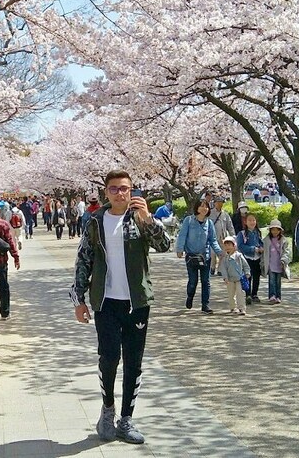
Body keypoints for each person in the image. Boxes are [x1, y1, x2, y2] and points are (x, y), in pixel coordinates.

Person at [72, 170, 169, 445]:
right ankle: (108, 410)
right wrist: (78, 299)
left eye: (125, 188)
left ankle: (126, 419)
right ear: (106, 192)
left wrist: (149, 220)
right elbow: (84, 260)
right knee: (109, 358)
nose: (120, 193)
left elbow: (163, 246)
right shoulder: (95, 221)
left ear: (132, 190)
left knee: (133, 363)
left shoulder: (140, 219)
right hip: (105, 301)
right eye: (114, 189)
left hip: (137, 302)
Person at [176, 199, 223, 314]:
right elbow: (182, 235)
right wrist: (180, 249)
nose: (204, 208)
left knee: (206, 281)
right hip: (191, 256)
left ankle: (205, 305)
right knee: (193, 281)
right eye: (201, 206)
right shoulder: (189, 220)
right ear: (197, 208)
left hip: (205, 256)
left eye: (206, 206)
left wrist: (219, 252)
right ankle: (190, 296)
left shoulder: (209, 223)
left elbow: (213, 240)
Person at [236, 213, 263, 304]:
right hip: (246, 258)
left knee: (256, 276)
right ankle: (248, 294)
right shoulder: (242, 234)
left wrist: (261, 248)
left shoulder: (258, 233)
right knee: (248, 276)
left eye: (253, 220)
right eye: (250, 220)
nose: (252, 222)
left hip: (257, 258)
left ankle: (254, 293)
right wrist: (253, 249)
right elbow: (240, 246)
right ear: (245, 222)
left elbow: (261, 243)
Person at [219, 235, 250, 315]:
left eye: (229, 245)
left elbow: (245, 265)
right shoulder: (225, 258)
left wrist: (247, 273)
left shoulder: (239, 256)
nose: (227, 247)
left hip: (240, 278)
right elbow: (223, 268)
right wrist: (225, 277)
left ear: (234, 246)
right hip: (230, 279)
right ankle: (233, 307)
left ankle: (242, 308)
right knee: (231, 294)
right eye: (225, 245)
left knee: (240, 294)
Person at [262, 219, 290, 304]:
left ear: (280, 230)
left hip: (279, 264)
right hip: (270, 264)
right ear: (270, 230)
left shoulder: (283, 240)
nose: (275, 231)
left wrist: (283, 261)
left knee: (278, 281)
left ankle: (278, 296)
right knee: (271, 280)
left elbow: (287, 252)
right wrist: (263, 263)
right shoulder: (266, 240)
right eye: (273, 229)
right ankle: (272, 296)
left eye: (277, 230)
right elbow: (264, 253)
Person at [209, 196, 235, 276]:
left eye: (221, 202)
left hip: (223, 237)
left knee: (223, 254)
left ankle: (220, 269)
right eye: (218, 202)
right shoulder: (210, 213)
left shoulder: (225, 214)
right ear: (215, 203)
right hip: (213, 237)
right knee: (213, 254)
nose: (220, 204)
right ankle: (212, 267)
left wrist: (233, 236)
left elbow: (229, 226)